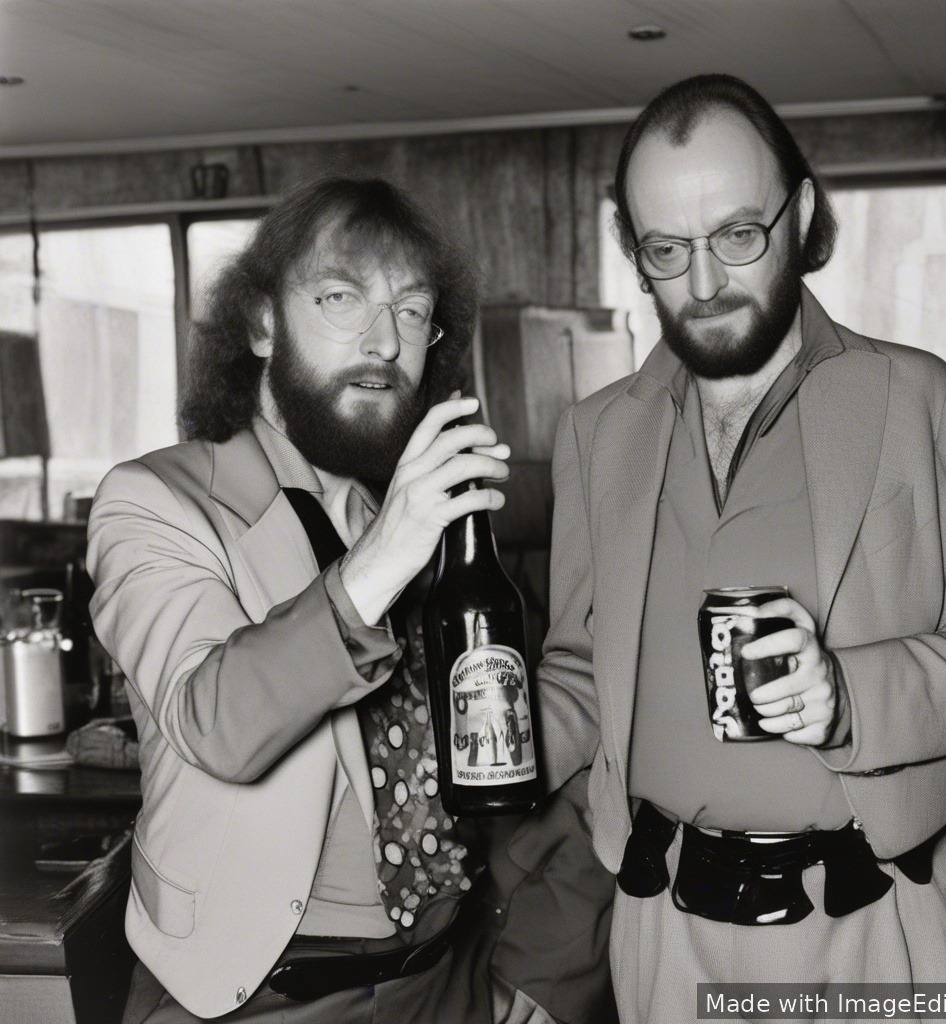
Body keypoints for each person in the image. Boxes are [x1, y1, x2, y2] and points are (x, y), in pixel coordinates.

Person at [536, 73, 946, 1024]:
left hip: (877, 924)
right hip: (665, 931)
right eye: (667, 250)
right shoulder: (596, 436)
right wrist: (474, 739)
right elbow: (580, 670)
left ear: (799, 212)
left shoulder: (913, 397)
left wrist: (846, 691)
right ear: (633, 253)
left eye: (738, 235)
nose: (706, 283)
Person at [87, 175, 615, 1024]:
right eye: (342, 297)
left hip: (452, 982)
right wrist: (382, 560)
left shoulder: (440, 522)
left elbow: (560, 735)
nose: (384, 341)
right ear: (262, 321)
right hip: (252, 999)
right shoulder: (154, 502)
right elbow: (214, 722)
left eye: (412, 312)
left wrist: (550, 968)